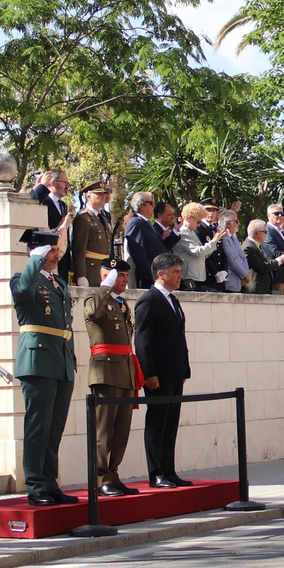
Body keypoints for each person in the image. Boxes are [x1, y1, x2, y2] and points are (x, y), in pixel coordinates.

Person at [12, 226, 80, 506]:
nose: (56, 255)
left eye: (56, 250)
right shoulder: (23, 279)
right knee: (38, 426)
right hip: (38, 360)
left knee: (54, 428)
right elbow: (22, 291)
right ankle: (35, 484)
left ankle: (50, 482)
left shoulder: (58, 283)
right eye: (50, 250)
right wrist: (35, 260)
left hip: (61, 359)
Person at [84, 257, 141, 495]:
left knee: (121, 430)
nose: (125, 280)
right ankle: (100, 478)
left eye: (126, 276)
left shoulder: (121, 303)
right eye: (120, 276)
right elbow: (92, 313)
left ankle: (113, 473)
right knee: (104, 429)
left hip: (125, 371)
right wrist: (104, 287)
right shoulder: (95, 298)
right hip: (106, 372)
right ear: (106, 276)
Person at [135, 254, 193, 487]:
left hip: (174, 373)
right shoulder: (149, 300)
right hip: (158, 375)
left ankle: (169, 470)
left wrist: (183, 370)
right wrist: (149, 374)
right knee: (157, 423)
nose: (180, 276)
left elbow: (178, 337)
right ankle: (156, 472)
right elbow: (143, 341)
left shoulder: (173, 300)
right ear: (161, 274)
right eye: (176, 271)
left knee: (171, 423)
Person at [173, 202, 228, 291]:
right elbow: (199, 252)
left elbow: (204, 254)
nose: (199, 225)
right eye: (198, 221)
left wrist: (214, 242)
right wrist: (214, 240)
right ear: (190, 218)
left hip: (197, 276)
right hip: (189, 277)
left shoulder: (191, 232)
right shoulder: (184, 232)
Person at [70, 181, 116, 287]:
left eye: (104, 193)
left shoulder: (103, 218)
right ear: (89, 196)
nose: (103, 196)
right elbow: (79, 249)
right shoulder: (83, 218)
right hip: (91, 272)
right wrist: (81, 275)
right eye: (99, 194)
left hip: (104, 271)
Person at [123, 192, 166, 275]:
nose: (153, 206)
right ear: (141, 206)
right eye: (151, 203)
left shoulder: (146, 223)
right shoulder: (135, 223)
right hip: (148, 276)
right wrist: (150, 276)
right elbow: (139, 255)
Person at [218, 210, 250, 292]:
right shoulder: (223, 238)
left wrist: (247, 274)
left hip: (239, 282)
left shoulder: (234, 239)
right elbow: (232, 259)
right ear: (228, 223)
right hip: (230, 282)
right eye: (236, 221)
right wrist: (245, 275)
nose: (238, 224)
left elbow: (243, 258)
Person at [244, 218, 279, 295]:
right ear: (258, 233)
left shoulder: (256, 245)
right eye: (265, 232)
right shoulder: (248, 247)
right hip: (256, 289)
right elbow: (262, 267)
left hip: (262, 287)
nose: (266, 235)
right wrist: (279, 261)